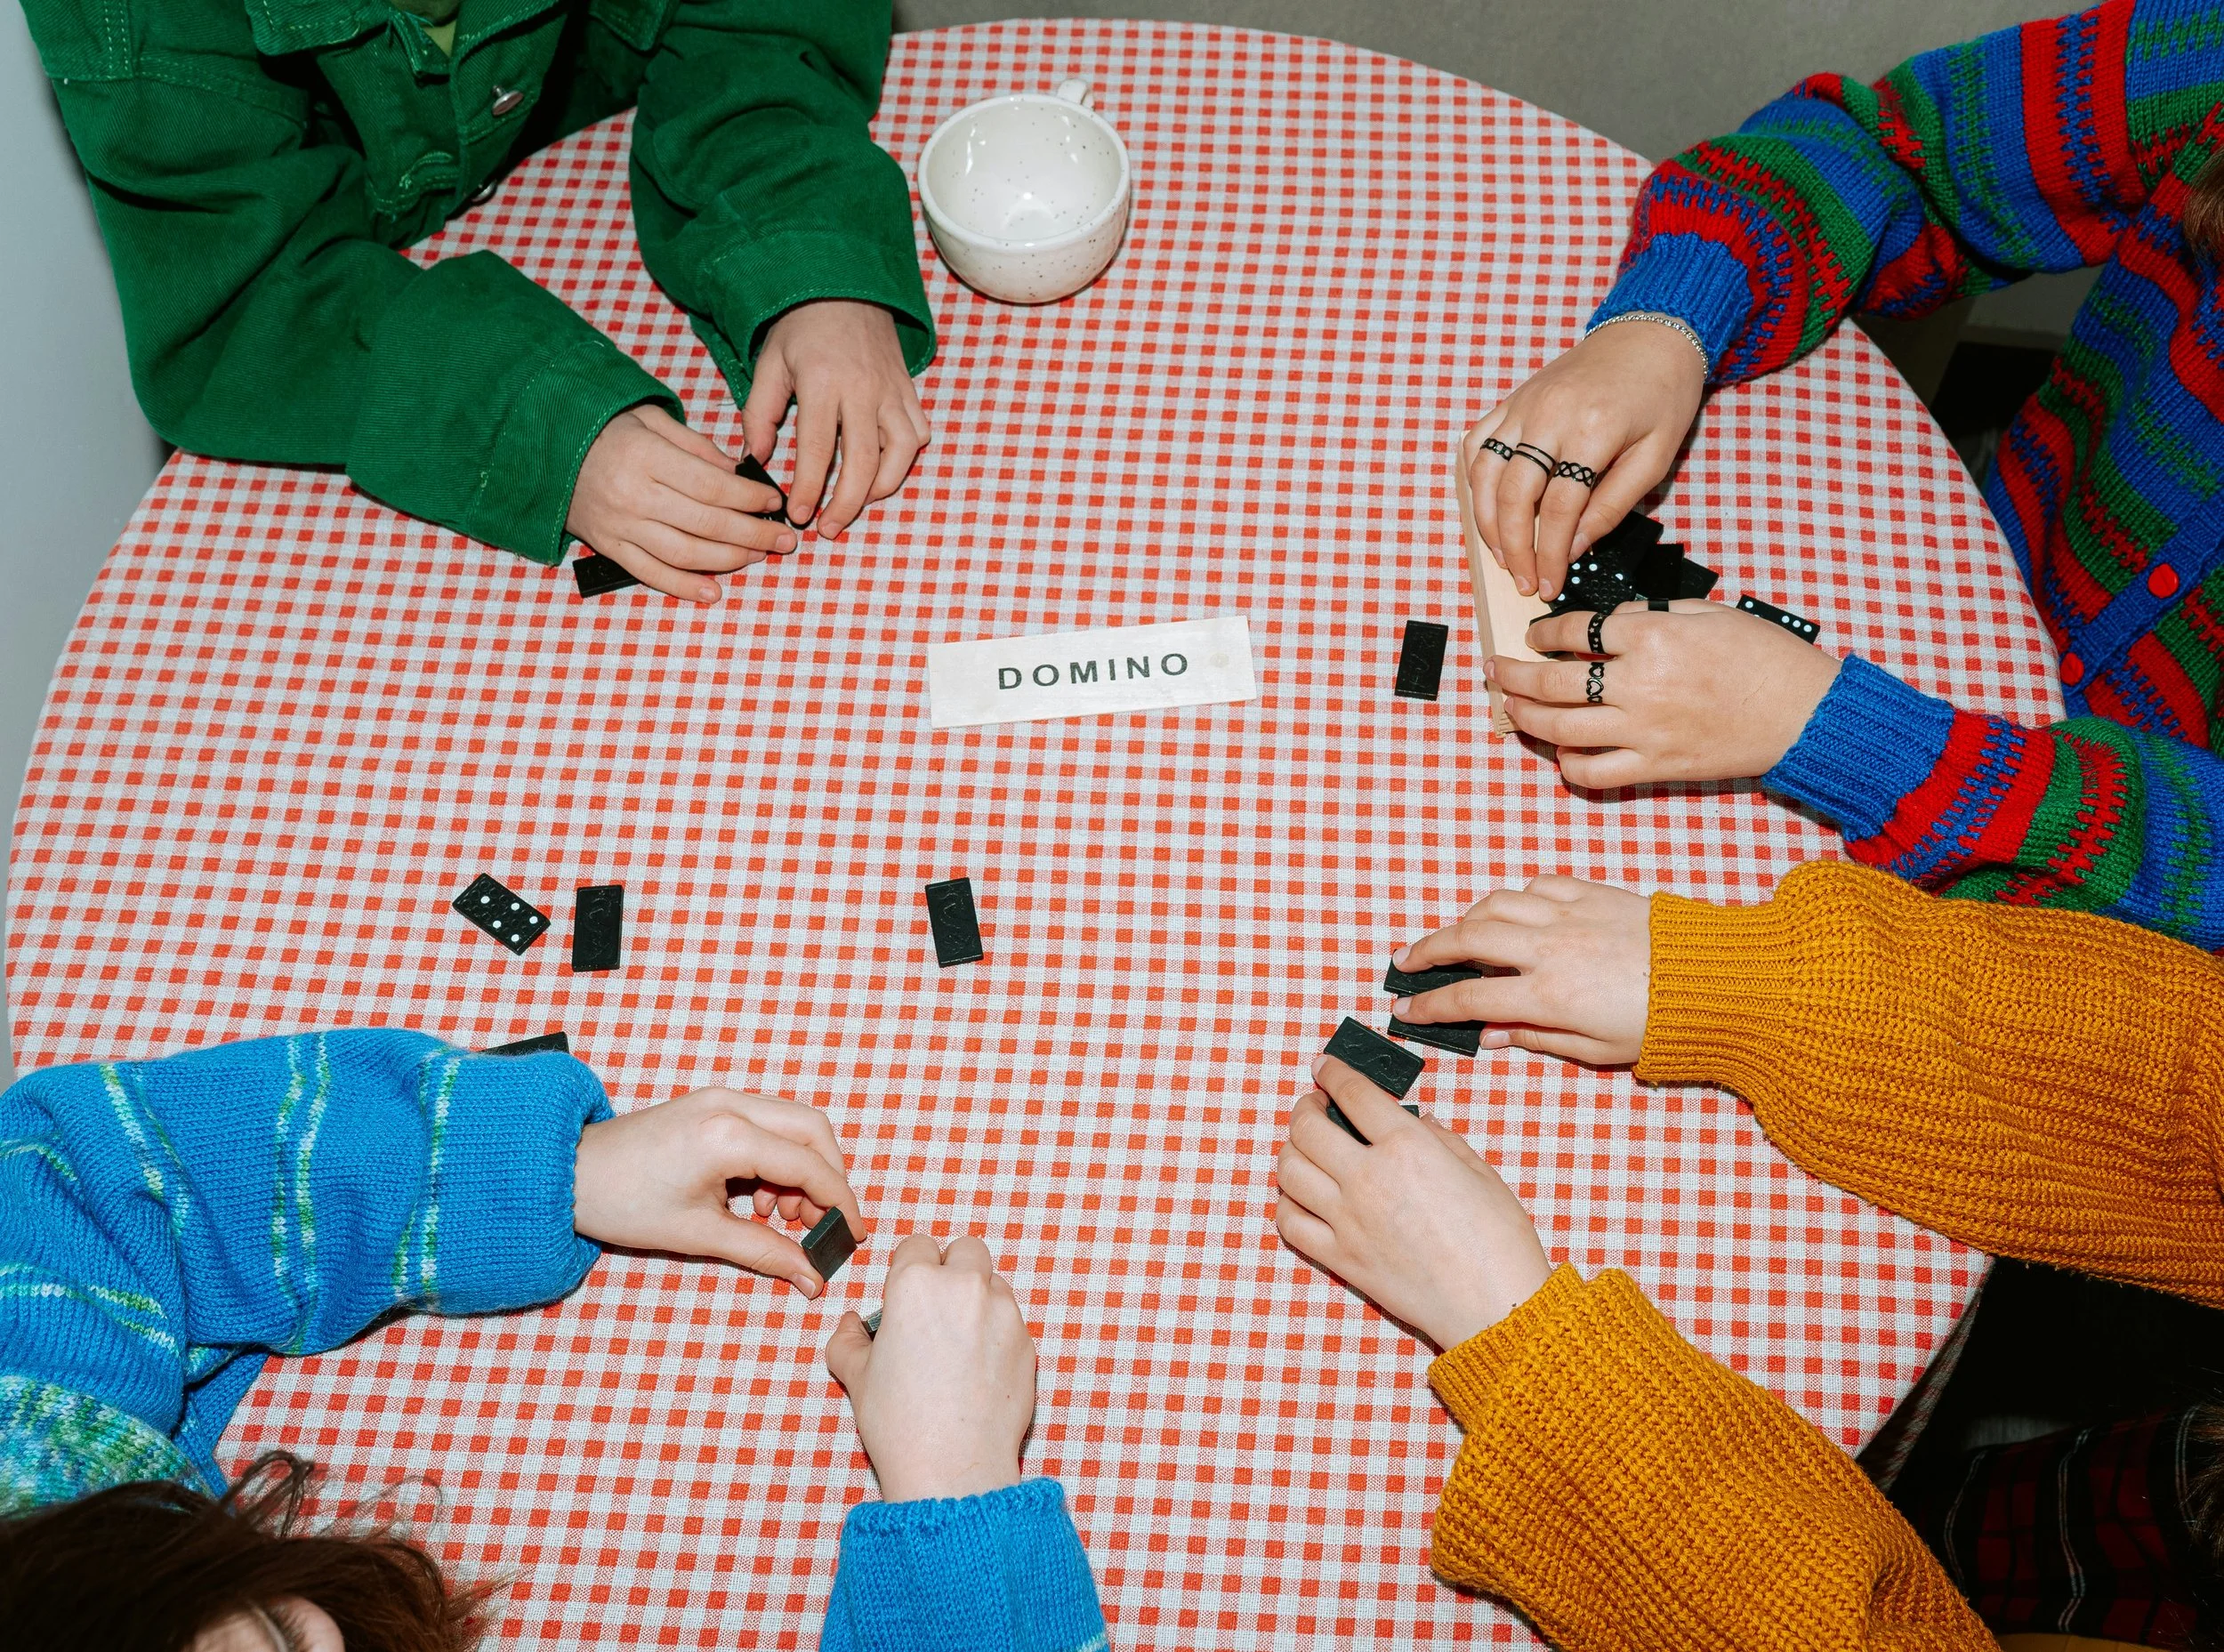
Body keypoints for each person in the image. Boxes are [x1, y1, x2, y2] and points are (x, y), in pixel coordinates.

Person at [1266, 859, 2224, 1646]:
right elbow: (2190, 1081)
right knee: (2034, 1519)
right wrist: (1748, 981)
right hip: (2150, 1480)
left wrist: (1528, 1353)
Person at [1461, 0, 2224, 950]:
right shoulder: (2205, 62)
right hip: (1966, 591)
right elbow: (1890, 145)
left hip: (2106, 939)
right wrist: (1665, 322)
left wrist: (1851, 740)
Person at [0, 1029, 1105, 1652]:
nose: (323, 1638)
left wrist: (532, 1169)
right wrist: (955, 1515)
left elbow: (70, 1181)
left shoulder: (36, 1490)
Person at [16, 0, 936, 605]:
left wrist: (809, 248)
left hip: (595, 116)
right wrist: (535, 421)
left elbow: (755, 30)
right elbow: (246, 291)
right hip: (351, 316)